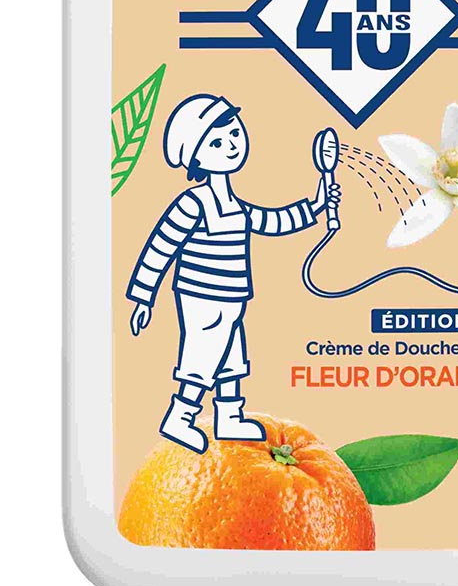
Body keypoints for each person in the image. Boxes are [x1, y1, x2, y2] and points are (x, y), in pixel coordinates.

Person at [125, 93, 339, 453]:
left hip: (233, 297)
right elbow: (160, 248)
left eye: (234, 133)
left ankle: (228, 415)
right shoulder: (193, 203)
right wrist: (143, 297)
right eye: (216, 142)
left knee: (231, 356)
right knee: (203, 354)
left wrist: (316, 205)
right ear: (194, 157)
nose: (231, 144)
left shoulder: (235, 205)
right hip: (201, 295)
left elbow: (271, 221)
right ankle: (179, 416)